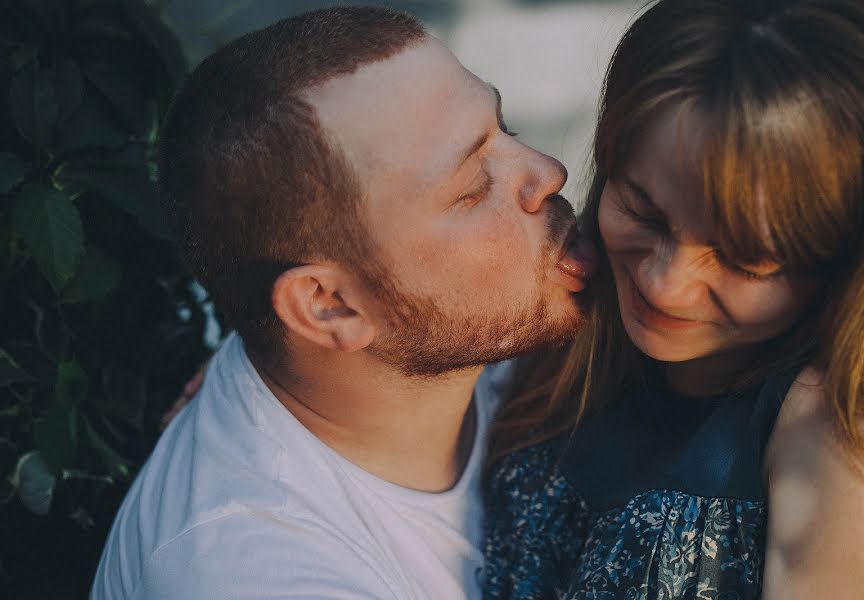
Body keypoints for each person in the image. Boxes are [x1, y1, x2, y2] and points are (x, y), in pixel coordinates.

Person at [90, 6, 599, 600]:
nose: (548, 172)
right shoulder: (254, 573)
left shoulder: (435, 333)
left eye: (502, 128)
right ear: (329, 305)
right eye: (473, 187)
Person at [484, 0, 864, 597]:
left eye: (745, 258)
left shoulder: (832, 439)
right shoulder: (548, 324)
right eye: (642, 210)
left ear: (851, 260)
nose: (663, 285)